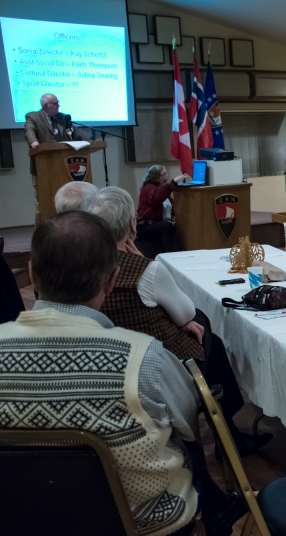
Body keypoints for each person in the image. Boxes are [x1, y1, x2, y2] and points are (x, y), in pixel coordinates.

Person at [0, 211, 248, 536]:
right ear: (111, 280)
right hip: (140, 524)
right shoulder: (144, 357)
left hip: (19, 521)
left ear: (32, 275)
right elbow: (188, 424)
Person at [88, 187, 271, 456]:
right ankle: (226, 428)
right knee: (205, 331)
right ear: (131, 224)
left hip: (111, 358)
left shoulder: (85, 267)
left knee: (204, 329)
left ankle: (228, 432)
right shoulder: (147, 270)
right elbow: (185, 313)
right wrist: (144, 264)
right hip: (160, 362)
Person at [24, 94, 83, 224]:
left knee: (68, 201)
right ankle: (42, 235)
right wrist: (34, 143)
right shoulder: (33, 117)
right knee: (43, 204)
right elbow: (29, 131)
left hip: (65, 167)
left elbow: (77, 133)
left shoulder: (63, 118)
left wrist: (88, 142)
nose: (58, 105)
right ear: (46, 106)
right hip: (43, 166)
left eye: (58, 102)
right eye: (55, 103)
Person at [136, 165, 187, 253]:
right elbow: (157, 197)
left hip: (156, 224)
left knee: (174, 226)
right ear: (156, 177)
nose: (167, 175)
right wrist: (173, 182)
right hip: (145, 226)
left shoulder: (161, 190)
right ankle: (176, 255)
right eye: (164, 174)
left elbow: (171, 209)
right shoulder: (148, 188)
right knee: (166, 226)